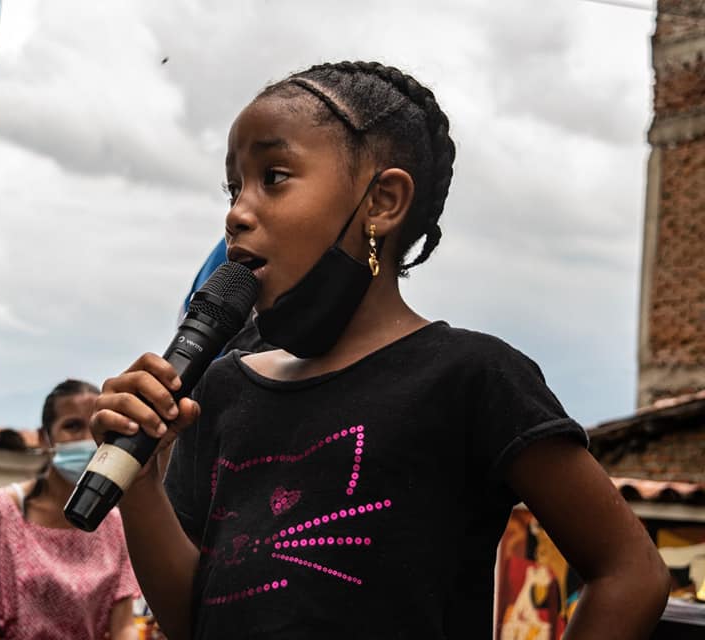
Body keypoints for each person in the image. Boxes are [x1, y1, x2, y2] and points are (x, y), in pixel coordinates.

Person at [89, 61, 672, 639]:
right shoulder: (217, 392)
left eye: (273, 177)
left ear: (382, 202)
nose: (237, 213)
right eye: (234, 187)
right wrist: (139, 488)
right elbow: (196, 620)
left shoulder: (472, 377)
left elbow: (631, 572)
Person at [0, 379, 140, 639]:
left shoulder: (113, 521)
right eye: (72, 426)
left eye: (95, 428)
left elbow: (123, 624)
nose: (86, 438)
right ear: (43, 437)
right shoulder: (4, 510)